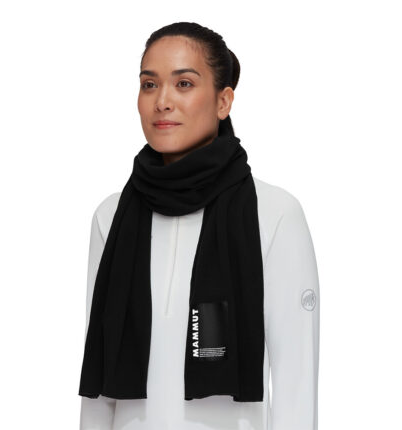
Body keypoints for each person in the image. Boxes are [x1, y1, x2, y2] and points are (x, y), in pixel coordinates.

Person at [78, 22, 320, 430]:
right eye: (149, 85)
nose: (162, 101)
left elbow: (297, 382)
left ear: (224, 101)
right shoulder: (111, 216)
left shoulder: (274, 213)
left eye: (184, 84)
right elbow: (98, 381)